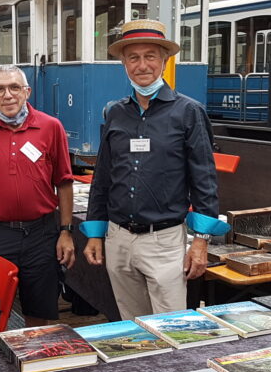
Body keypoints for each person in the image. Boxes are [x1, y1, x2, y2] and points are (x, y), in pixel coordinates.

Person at [80, 19, 229, 320]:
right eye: (133, 57)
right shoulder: (115, 113)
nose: (142, 65)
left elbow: (204, 181)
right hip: (118, 239)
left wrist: (200, 242)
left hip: (164, 242)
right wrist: (95, 233)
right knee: (133, 327)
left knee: (171, 327)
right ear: (123, 63)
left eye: (150, 56)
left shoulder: (188, 112)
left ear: (164, 60)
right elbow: (104, 178)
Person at [0, 64, 76, 327]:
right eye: (0, 89)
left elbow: (64, 182)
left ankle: (36, 360)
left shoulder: (50, 127)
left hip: (41, 236)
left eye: (14, 87)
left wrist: (65, 231)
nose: (7, 95)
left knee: (40, 310)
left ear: (27, 91)